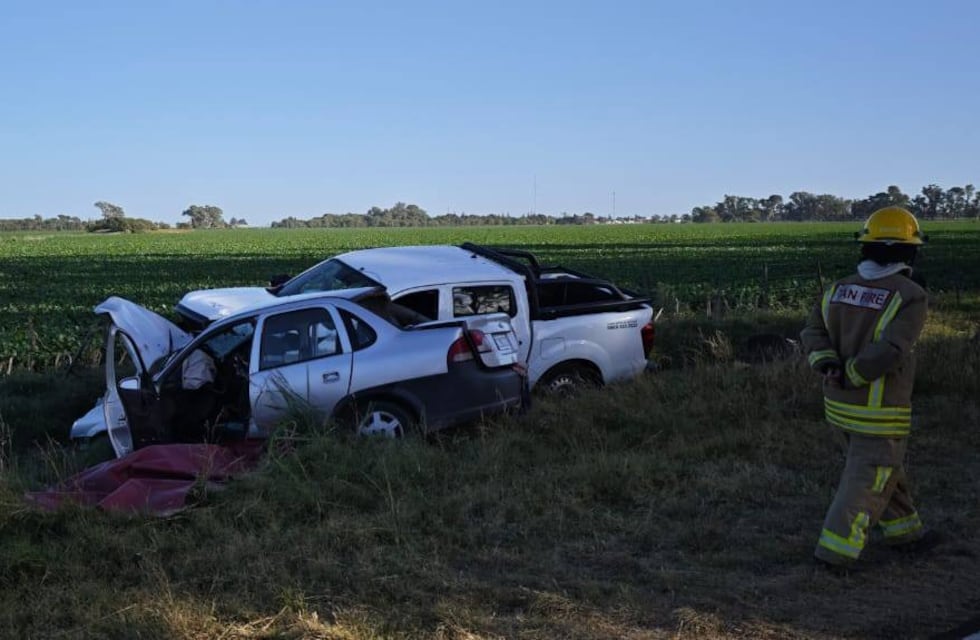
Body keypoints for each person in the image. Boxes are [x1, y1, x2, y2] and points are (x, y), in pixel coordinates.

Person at [800, 206, 940, 570]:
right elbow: (892, 349)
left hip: (838, 407)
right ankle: (833, 555)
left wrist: (828, 365)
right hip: (879, 410)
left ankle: (907, 535)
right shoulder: (910, 295)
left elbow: (812, 332)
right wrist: (854, 374)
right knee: (866, 481)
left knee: (883, 472)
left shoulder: (838, 289)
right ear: (910, 251)